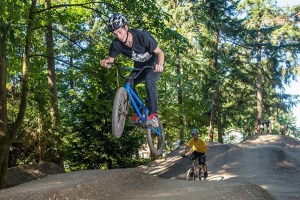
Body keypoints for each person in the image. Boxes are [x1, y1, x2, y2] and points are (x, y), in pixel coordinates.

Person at [100, 13, 164, 124]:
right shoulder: (116, 44)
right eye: (115, 34)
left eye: (120, 32)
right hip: (139, 68)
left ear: (126, 27)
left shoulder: (141, 36)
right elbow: (110, 60)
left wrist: (160, 64)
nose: (119, 36)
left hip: (153, 64)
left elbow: (160, 52)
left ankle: (153, 114)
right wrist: (106, 63)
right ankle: (139, 112)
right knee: (129, 82)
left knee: (149, 80)